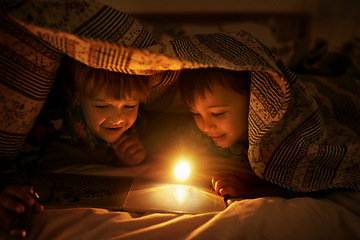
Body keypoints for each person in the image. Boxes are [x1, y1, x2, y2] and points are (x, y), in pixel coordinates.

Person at [0, 57, 153, 233]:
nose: (118, 118)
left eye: (129, 106)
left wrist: (131, 158)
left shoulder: (136, 124)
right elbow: (20, 159)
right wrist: (9, 183)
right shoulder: (56, 119)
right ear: (77, 97)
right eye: (102, 106)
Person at [178, 68, 290, 199]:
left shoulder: (280, 143)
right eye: (196, 114)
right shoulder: (197, 136)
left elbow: (299, 188)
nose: (206, 127)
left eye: (217, 113)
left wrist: (250, 191)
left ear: (255, 101)